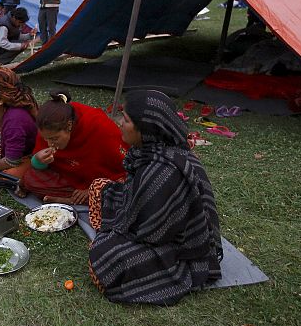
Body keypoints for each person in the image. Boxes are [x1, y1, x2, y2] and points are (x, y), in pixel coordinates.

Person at [88, 90, 223, 305]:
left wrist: (118, 231)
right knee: (98, 187)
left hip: (177, 245)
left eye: (127, 120)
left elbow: (152, 232)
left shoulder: (163, 171)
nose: (120, 123)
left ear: (146, 128)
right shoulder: (149, 151)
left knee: (106, 259)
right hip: (152, 221)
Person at [21, 91, 127, 204]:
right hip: (72, 179)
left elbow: (128, 170)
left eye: (54, 139)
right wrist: (38, 159)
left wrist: (93, 189)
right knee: (30, 179)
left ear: (69, 126)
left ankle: (76, 199)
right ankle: (80, 199)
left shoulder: (100, 128)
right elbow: (40, 163)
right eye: (45, 139)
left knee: (121, 192)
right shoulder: (47, 125)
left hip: (104, 181)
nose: (49, 144)